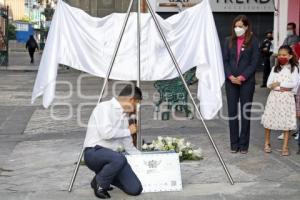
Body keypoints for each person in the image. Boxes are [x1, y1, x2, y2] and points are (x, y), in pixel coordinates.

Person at [83, 85, 143, 199]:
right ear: (132, 100)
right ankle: (101, 185)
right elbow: (106, 134)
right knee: (119, 158)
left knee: (135, 189)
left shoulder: (125, 116)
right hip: (94, 153)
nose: (136, 108)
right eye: (136, 104)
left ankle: (99, 179)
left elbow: (129, 146)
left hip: (113, 159)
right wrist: (128, 131)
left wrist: (144, 157)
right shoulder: (104, 107)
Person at [223, 15, 259, 154]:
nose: (237, 29)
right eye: (235, 26)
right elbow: (224, 60)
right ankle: (234, 144)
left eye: (240, 26)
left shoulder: (253, 41)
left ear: (246, 27)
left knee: (245, 113)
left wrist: (243, 77)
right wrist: (231, 76)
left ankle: (244, 145)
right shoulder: (228, 41)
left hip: (246, 82)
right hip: (231, 81)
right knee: (232, 113)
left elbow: (254, 62)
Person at [262, 45, 299, 156]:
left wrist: (278, 83)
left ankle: (285, 146)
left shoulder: (294, 68)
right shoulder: (274, 69)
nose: (281, 57)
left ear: (290, 56)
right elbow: (269, 84)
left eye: (284, 55)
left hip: (287, 99)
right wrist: (283, 88)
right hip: (274, 97)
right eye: (279, 55)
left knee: (286, 121)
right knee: (269, 119)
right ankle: (267, 143)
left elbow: (294, 84)